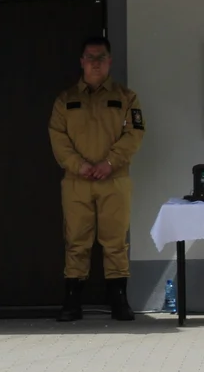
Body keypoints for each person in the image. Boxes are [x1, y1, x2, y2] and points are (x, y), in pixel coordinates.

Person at [48, 36, 146, 322]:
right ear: (81, 62)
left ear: (109, 61)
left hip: (114, 180)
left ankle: (119, 300)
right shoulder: (66, 100)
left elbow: (135, 134)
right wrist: (78, 165)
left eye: (101, 57)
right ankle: (72, 301)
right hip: (77, 182)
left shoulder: (127, 98)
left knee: (115, 241)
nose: (95, 63)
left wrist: (110, 163)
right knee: (76, 241)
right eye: (90, 57)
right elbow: (58, 137)